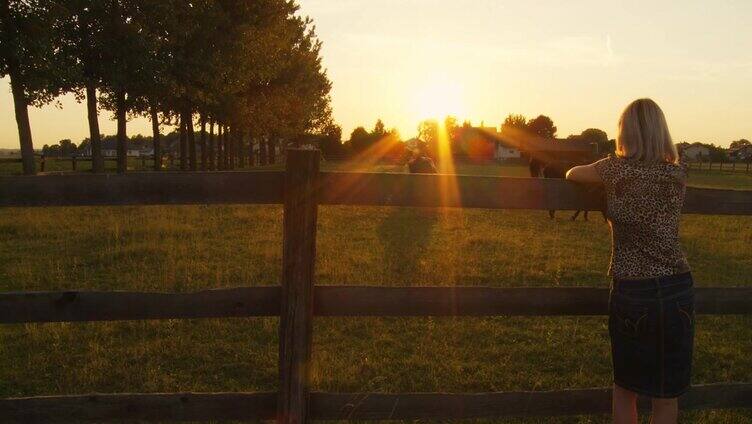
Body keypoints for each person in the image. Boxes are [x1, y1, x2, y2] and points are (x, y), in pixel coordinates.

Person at [566, 99, 693, 424]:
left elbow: (572, 173)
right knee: (666, 395)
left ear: (626, 133)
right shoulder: (677, 173)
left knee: (626, 389)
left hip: (634, 290)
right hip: (677, 286)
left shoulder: (613, 168)